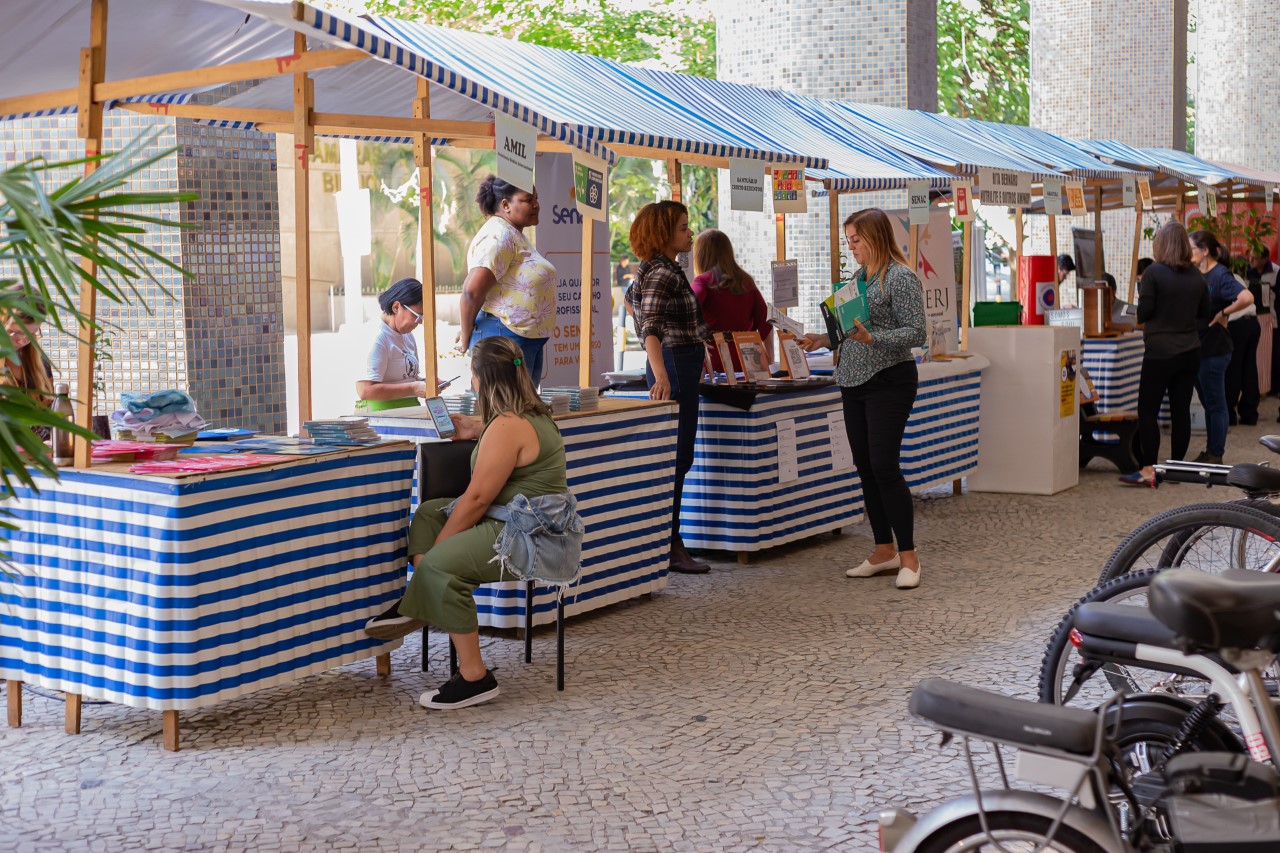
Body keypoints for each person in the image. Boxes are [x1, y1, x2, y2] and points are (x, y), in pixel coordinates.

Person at [364, 336, 574, 710]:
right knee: (428, 514)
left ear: (482, 378)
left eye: (473, 374)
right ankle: (426, 597)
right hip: (523, 522)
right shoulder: (528, 416)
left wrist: (441, 550)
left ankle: (475, 677)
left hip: (528, 537)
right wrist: (477, 429)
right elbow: (505, 443)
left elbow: (477, 500)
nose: (471, 381)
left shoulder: (506, 426)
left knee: (440, 565)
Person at [798, 208, 927, 589]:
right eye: (848, 241)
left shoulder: (900, 278)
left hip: (890, 380)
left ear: (874, 238)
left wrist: (875, 338)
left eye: (855, 240)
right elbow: (846, 331)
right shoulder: (857, 279)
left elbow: (917, 332)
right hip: (853, 381)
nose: (851, 247)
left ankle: (909, 556)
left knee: (885, 465)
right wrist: (822, 340)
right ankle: (884, 549)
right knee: (866, 467)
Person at [625, 200, 711, 574]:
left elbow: (634, 304)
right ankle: (672, 544)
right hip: (674, 363)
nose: (690, 233)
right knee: (678, 456)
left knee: (678, 456)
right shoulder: (663, 273)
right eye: (682, 227)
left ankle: (670, 541)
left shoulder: (655, 269)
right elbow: (650, 327)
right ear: (663, 233)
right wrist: (661, 374)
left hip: (677, 360)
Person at [1119, 223, 1210, 486]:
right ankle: (1176, 470)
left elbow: (1144, 313)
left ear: (1161, 244)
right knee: (1180, 411)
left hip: (1160, 352)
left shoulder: (1153, 273)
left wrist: (1142, 299)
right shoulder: (1197, 276)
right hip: (1190, 351)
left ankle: (1149, 470)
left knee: (1148, 410)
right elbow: (1205, 313)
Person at [457, 176, 557, 385]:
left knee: (522, 405)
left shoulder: (513, 234)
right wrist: (465, 336)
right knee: (505, 405)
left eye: (536, 198)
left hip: (522, 339)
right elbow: (471, 292)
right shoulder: (498, 235)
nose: (536, 205)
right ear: (505, 205)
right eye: (528, 199)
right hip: (503, 338)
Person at [1189, 230, 1253, 463]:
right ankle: (1211, 450)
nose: (1188, 253)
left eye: (1191, 249)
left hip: (1214, 349)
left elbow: (1247, 298)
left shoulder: (1220, 274)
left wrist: (1224, 313)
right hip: (1201, 347)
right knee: (1209, 403)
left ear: (1205, 250)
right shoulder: (1200, 274)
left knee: (1216, 404)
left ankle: (1216, 453)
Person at [689, 229, 770, 374]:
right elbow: (766, 321)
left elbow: (687, 307)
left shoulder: (704, 280)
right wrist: (769, 358)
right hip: (749, 359)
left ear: (700, 255)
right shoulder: (746, 281)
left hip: (716, 358)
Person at [355, 278, 427, 411]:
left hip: (408, 410)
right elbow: (365, 390)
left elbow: (408, 378)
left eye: (423, 318)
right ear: (396, 307)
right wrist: (413, 388)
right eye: (417, 316)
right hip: (381, 414)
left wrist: (426, 383)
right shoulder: (377, 337)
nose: (420, 322)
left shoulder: (407, 335)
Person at [1, 307, 56, 439]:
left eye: (31, 334)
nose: (22, 341)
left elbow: (50, 421)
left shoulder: (41, 365)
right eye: (14, 332)